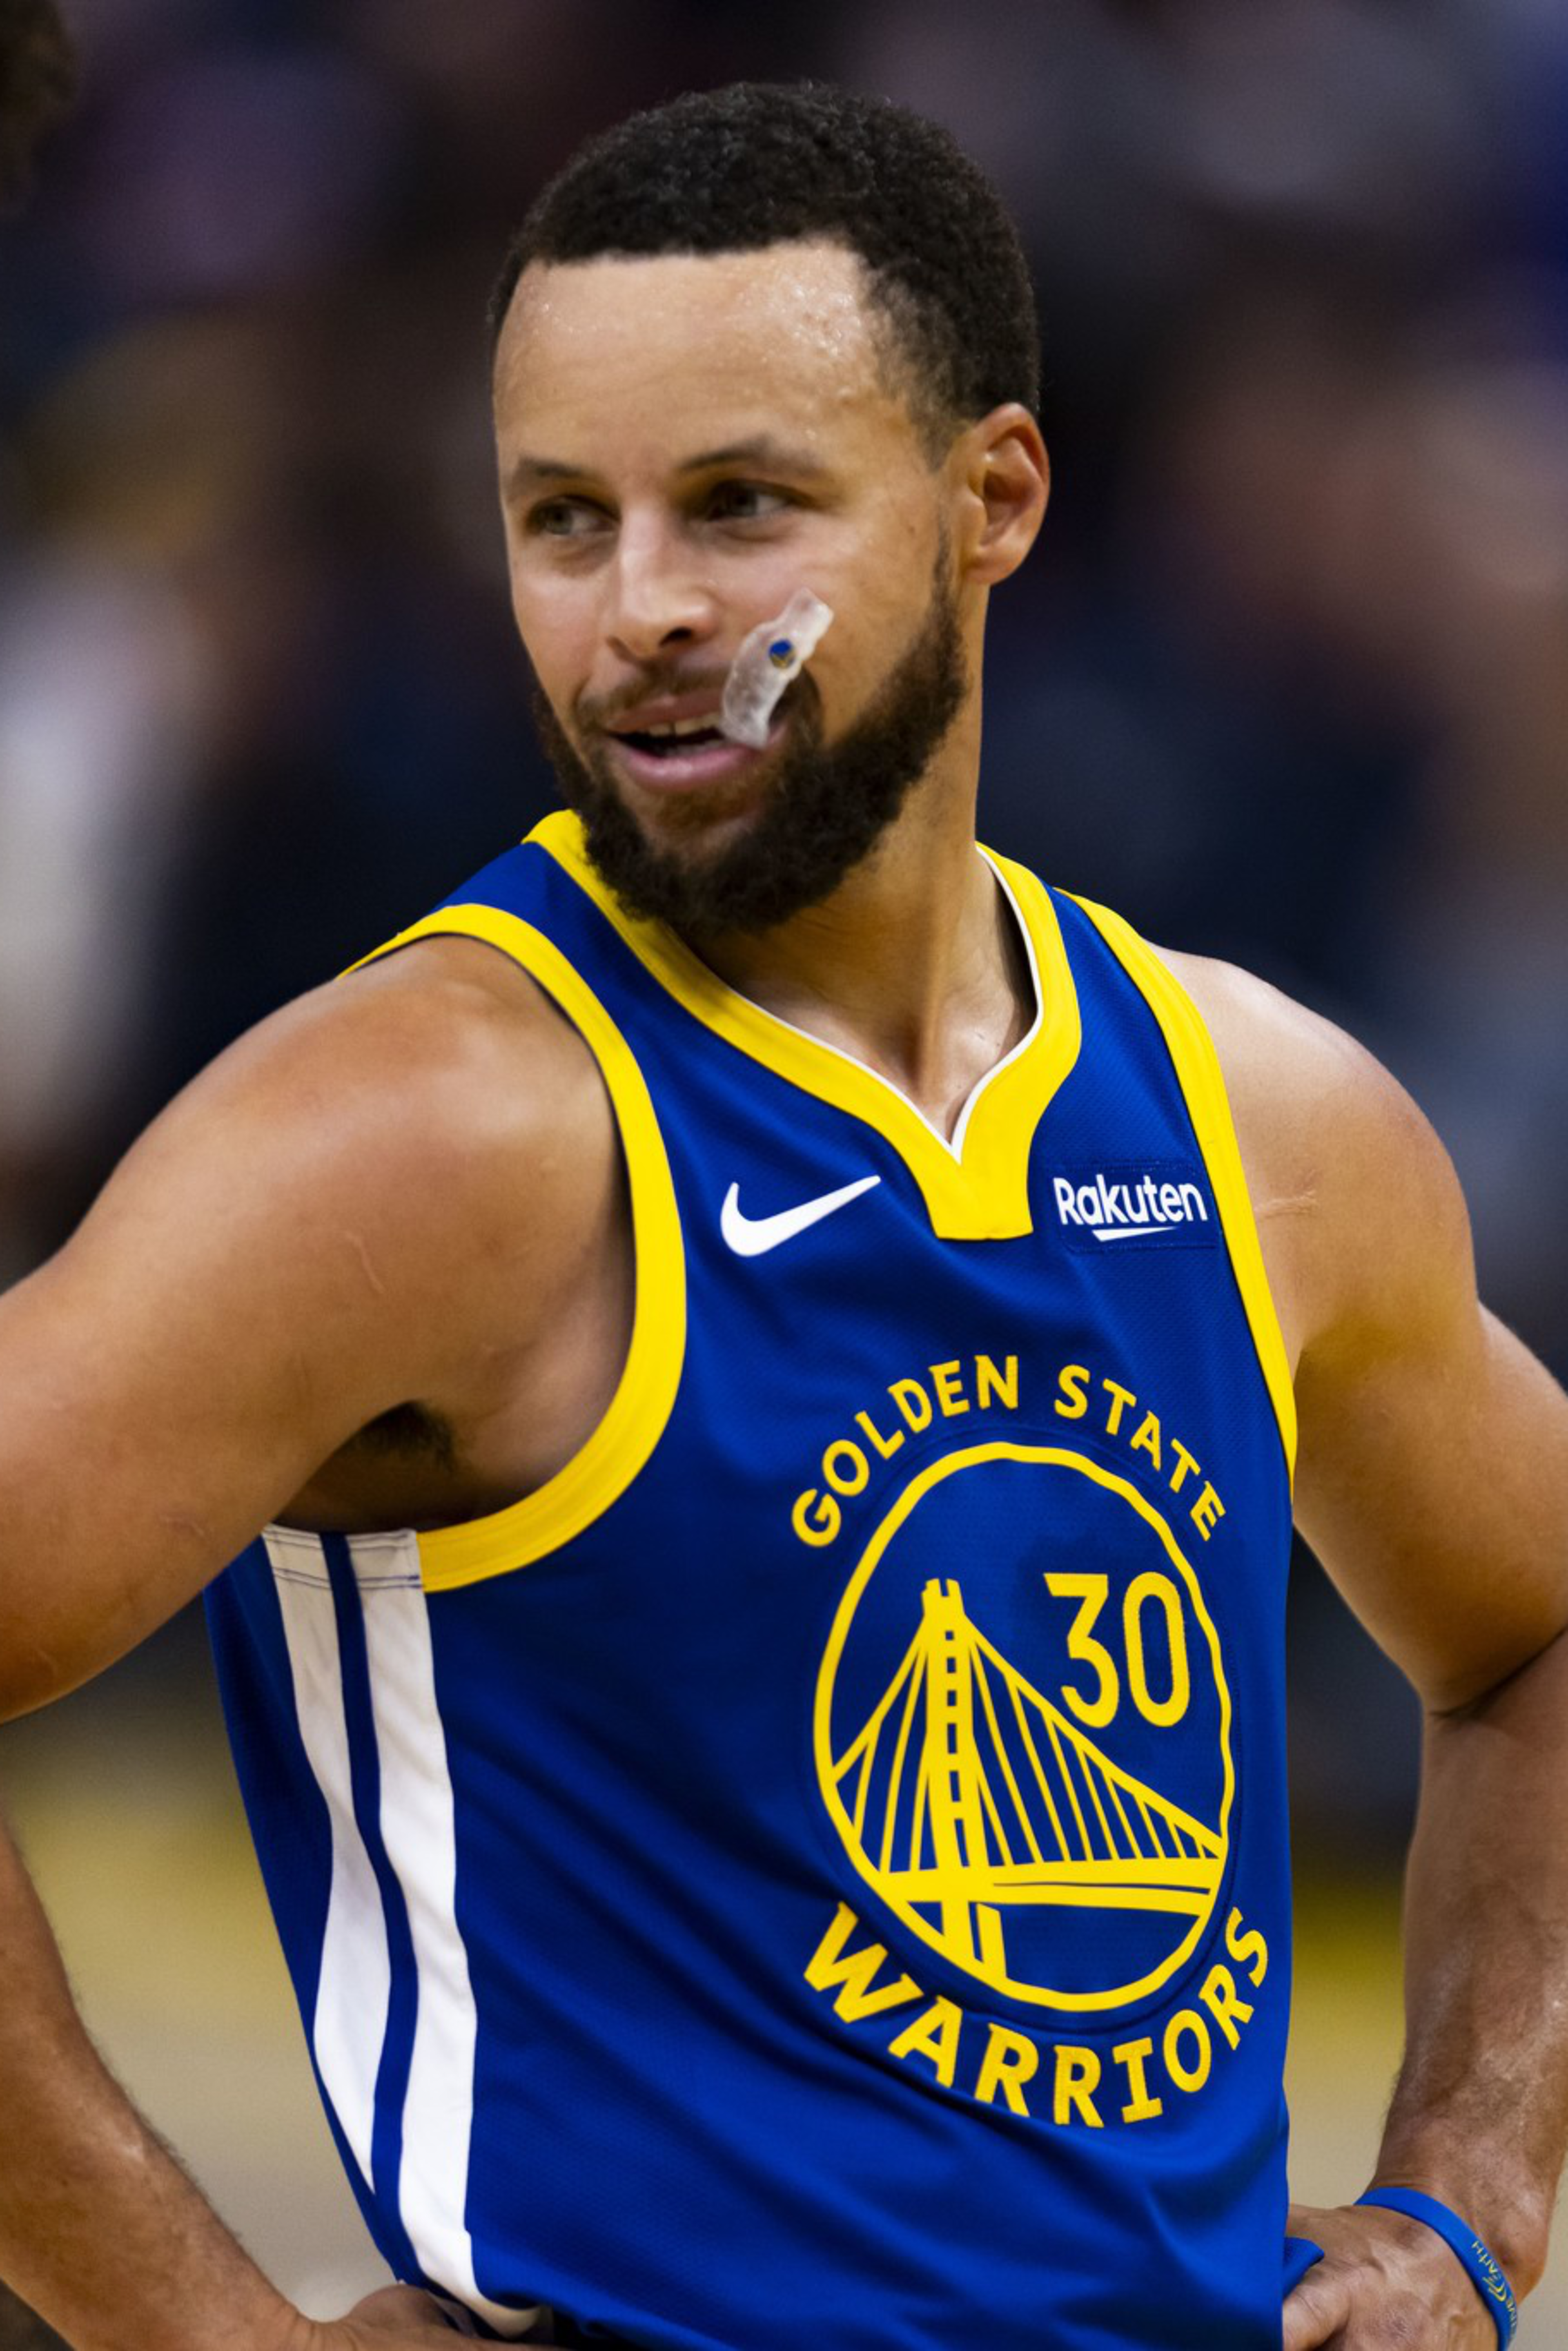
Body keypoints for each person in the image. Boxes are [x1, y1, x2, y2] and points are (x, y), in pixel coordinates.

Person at [2, 77, 1567, 2351]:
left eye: (739, 508)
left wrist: (1467, 2189)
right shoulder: (426, 1127)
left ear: (989, 502)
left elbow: (1534, 1633)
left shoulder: (1256, 1114)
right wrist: (196, 2328)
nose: (640, 610)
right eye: (563, 520)